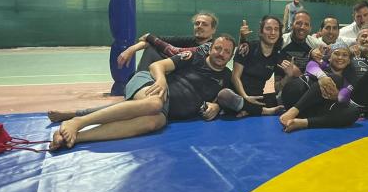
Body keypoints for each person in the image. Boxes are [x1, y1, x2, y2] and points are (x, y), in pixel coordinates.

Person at [48, 35, 236, 151]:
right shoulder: (194, 56)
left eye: (226, 52)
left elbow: (226, 100)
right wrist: (161, 80)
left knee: (155, 122)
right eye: (218, 48)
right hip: (150, 81)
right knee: (154, 104)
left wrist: (216, 106)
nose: (221, 53)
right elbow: (157, 65)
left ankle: (75, 137)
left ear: (231, 56)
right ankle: (77, 122)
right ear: (210, 48)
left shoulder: (227, 77)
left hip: (166, 111)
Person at [278, 43, 360, 132]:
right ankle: (293, 112)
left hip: (313, 110)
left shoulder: (349, 80)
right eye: (336, 54)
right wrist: (322, 77)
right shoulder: (321, 65)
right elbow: (311, 65)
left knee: (354, 112)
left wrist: (337, 96)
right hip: (296, 95)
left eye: (345, 55)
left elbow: (346, 96)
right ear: (329, 58)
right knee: (334, 78)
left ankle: (302, 123)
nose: (340, 57)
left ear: (349, 61)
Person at [217, 16, 285, 117]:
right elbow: (235, 77)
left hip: (257, 98)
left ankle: (247, 109)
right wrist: (246, 97)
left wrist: (289, 76)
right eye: (268, 28)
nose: (273, 32)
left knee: (279, 99)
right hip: (237, 95)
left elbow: (277, 87)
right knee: (224, 95)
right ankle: (261, 111)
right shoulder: (247, 47)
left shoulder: (277, 56)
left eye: (276, 29)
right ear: (261, 31)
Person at [117, 12, 218, 72]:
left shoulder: (212, 46)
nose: (199, 26)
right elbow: (156, 39)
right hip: (178, 75)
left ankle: (140, 82)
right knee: (151, 48)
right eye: (197, 23)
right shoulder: (190, 40)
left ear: (213, 30)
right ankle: (139, 80)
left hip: (191, 85)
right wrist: (131, 49)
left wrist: (149, 36)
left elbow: (175, 51)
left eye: (204, 24)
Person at [276, 10, 319, 96]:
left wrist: (318, 52)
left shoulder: (314, 43)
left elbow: (332, 48)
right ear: (292, 25)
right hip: (282, 88)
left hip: (306, 88)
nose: (302, 27)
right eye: (299, 23)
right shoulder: (281, 41)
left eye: (306, 24)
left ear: (310, 28)